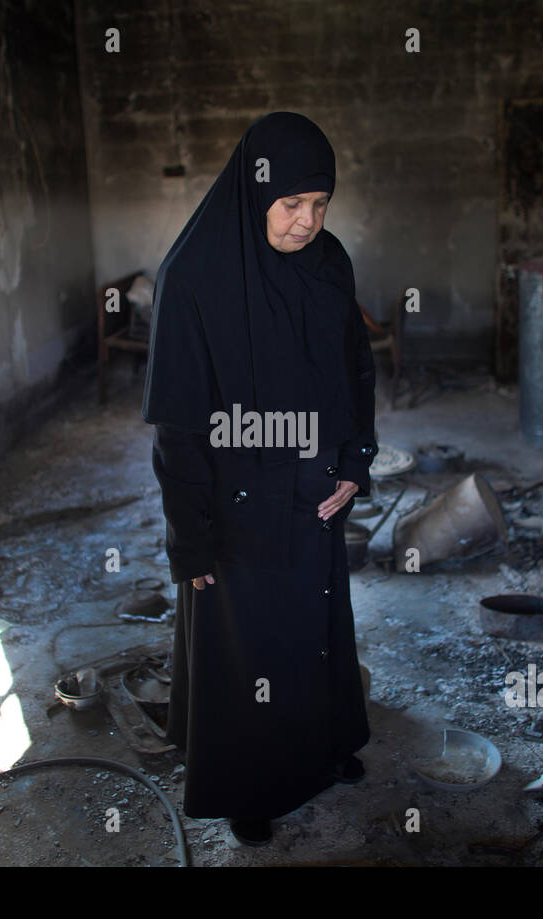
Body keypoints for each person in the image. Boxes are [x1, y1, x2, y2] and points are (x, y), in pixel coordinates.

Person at [142, 112, 378, 847]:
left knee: (315, 628)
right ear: (255, 192)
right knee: (250, 644)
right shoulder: (192, 279)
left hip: (315, 486)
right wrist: (191, 541)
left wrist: (354, 465)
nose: (307, 222)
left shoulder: (328, 262)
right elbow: (177, 425)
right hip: (234, 498)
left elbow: (354, 371)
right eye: (291, 206)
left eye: (320, 205)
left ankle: (324, 746)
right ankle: (249, 783)